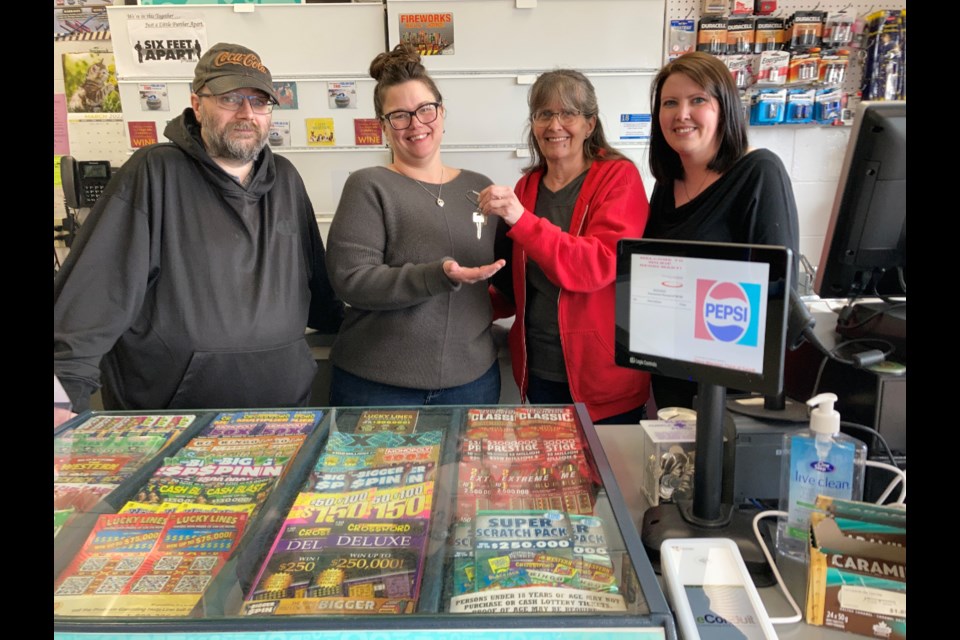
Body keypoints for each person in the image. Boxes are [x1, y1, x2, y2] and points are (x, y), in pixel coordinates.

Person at [54, 42, 343, 415]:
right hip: (174, 420)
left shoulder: (284, 178)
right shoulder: (153, 173)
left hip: (283, 412)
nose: (246, 113)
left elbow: (317, 288)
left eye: (259, 101)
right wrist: (63, 395)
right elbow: (92, 299)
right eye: (230, 99)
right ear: (197, 103)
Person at [324, 44, 505, 407]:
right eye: (400, 115)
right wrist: (438, 276)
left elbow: (503, 276)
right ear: (383, 127)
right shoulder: (368, 185)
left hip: (473, 382)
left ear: (442, 112)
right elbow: (351, 280)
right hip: (377, 388)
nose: (416, 124)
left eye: (426, 110)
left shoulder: (479, 187)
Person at [475, 69, 651, 424]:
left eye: (568, 113)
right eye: (544, 114)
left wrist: (521, 220)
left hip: (604, 379)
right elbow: (515, 287)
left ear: (590, 123)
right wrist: (455, 301)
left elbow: (596, 266)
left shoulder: (619, 177)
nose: (555, 125)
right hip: (540, 372)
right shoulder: (526, 187)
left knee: (611, 479)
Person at [645, 51, 800, 409]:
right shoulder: (667, 184)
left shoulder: (760, 173)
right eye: (670, 103)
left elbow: (780, 298)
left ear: (724, 108)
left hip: (734, 388)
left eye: (697, 100)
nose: (681, 114)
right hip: (672, 374)